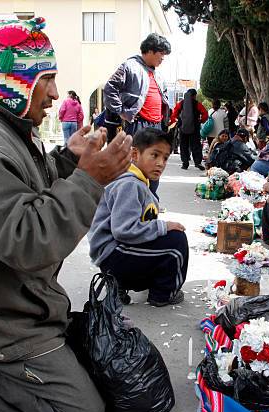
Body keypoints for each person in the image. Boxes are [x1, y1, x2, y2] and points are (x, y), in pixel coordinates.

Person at [0, 17, 133, 412]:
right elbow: (25, 241)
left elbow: (24, 195)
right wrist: (88, 180)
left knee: (109, 369)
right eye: (47, 79)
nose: (56, 94)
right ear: (14, 81)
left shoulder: (4, 129)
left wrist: (65, 163)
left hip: (17, 304)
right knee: (82, 411)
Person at [88, 127, 188, 307]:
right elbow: (123, 230)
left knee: (165, 238)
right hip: (113, 255)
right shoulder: (129, 184)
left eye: (165, 158)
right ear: (135, 154)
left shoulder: (139, 182)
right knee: (177, 243)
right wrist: (164, 226)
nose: (161, 163)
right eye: (155, 155)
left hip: (116, 255)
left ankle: (118, 284)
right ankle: (163, 294)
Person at [104, 33, 171, 193]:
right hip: (138, 124)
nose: (163, 58)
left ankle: (151, 200)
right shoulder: (130, 66)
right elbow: (110, 87)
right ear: (150, 50)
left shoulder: (157, 74)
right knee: (136, 167)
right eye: (161, 53)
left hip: (156, 126)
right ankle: (132, 201)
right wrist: (121, 111)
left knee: (156, 165)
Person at [171, 88, 208, 170]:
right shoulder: (197, 104)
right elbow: (205, 114)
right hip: (194, 128)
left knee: (183, 145)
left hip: (183, 128)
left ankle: (185, 163)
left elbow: (174, 114)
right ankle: (197, 162)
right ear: (194, 96)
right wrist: (201, 121)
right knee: (196, 145)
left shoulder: (181, 103)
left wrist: (179, 122)